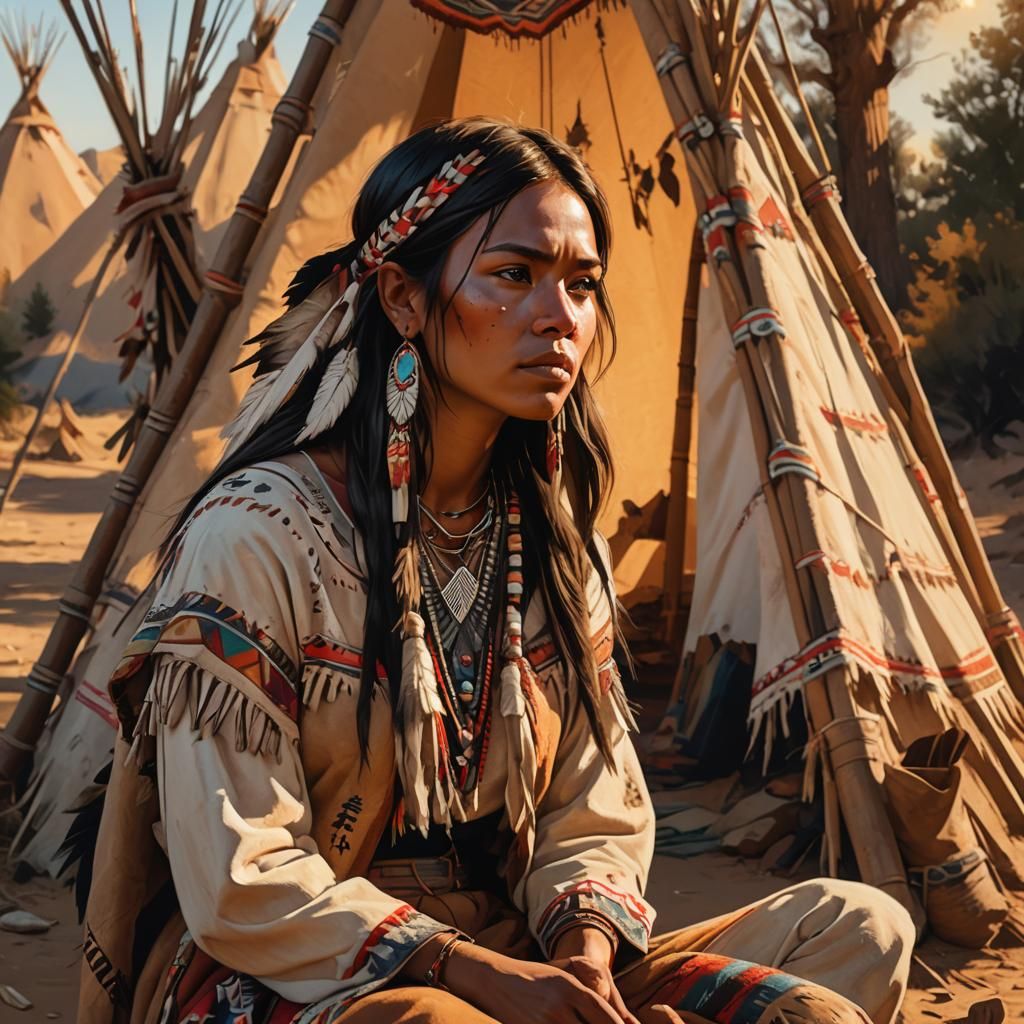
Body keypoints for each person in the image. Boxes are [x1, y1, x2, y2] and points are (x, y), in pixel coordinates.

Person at [78, 118, 914, 1024]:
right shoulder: (258, 537)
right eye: (514, 276)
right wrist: (472, 975)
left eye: (583, 284)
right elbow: (245, 882)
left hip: (514, 948)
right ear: (401, 297)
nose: (560, 317)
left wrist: (584, 959)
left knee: (862, 927)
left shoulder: (549, 546)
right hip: (303, 976)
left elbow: (589, 810)